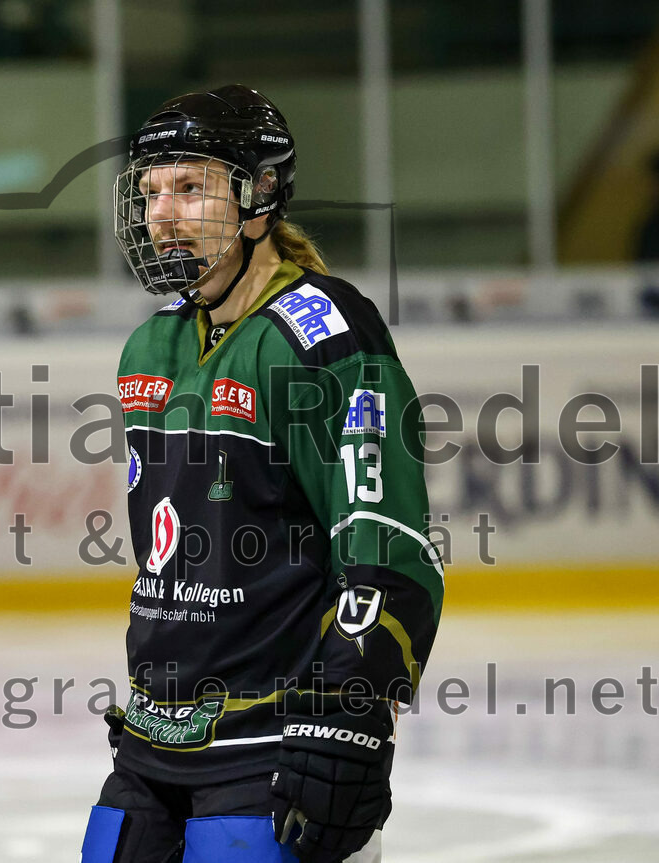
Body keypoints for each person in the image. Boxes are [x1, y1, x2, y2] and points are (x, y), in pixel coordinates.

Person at [82, 84, 444, 863]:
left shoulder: (323, 336)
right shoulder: (149, 350)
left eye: (190, 188)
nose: (162, 215)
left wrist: (349, 708)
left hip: (274, 746)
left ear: (262, 194)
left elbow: (388, 548)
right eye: (150, 193)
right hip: (155, 740)